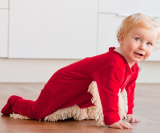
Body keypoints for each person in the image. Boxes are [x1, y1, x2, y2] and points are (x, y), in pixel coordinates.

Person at [1, 13, 160, 129]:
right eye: (137, 39)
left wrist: (129, 111)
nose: (142, 47)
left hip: (79, 90)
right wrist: (111, 119)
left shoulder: (133, 66)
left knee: (66, 112)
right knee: (38, 113)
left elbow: (128, 89)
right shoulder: (114, 63)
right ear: (122, 38)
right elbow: (109, 92)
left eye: (149, 43)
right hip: (63, 83)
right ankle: (14, 101)